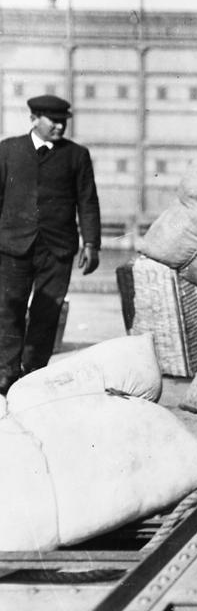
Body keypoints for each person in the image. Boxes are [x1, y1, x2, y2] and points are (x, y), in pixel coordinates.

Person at [0, 95, 100, 395]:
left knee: (47, 313)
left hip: (57, 249)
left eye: (63, 121)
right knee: (8, 309)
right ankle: (5, 373)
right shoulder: (8, 150)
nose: (59, 126)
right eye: (53, 121)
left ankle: (32, 375)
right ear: (34, 119)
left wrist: (91, 242)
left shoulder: (76, 155)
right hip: (12, 247)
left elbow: (87, 200)